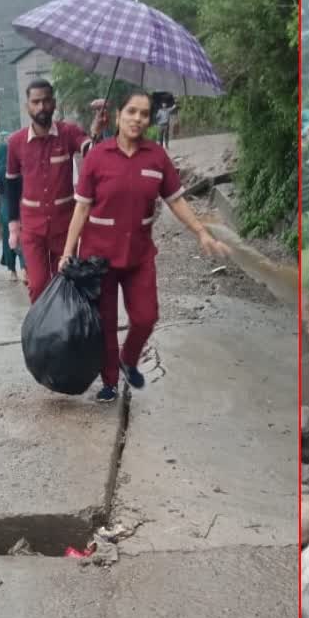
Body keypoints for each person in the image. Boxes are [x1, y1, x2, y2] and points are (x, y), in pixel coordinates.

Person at [61, 89, 231, 401]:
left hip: (139, 255)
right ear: (118, 116)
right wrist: (68, 251)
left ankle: (129, 358)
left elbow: (175, 200)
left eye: (144, 114)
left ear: (150, 120)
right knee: (106, 325)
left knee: (145, 317)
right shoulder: (97, 156)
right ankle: (110, 381)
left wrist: (201, 232)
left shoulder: (157, 157)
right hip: (99, 258)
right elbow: (82, 208)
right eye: (131, 112)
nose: (137, 119)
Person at [4, 79, 104, 303]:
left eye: (46, 101)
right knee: (38, 285)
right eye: (36, 102)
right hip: (32, 229)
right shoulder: (15, 142)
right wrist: (13, 226)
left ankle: (66, 333)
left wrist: (96, 133)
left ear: (54, 103)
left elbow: (92, 153)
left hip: (65, 227)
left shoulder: (68, 133)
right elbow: (11, 184)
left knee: (66, 282)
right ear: (27, 106)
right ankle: (43, 334)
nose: (41, 107)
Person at [0, 143, 26, 284]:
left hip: (6, 207)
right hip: (19, 206)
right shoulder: (19, 167)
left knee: (9, 239)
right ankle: (25, 269)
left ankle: (12, 272)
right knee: (23, 238)